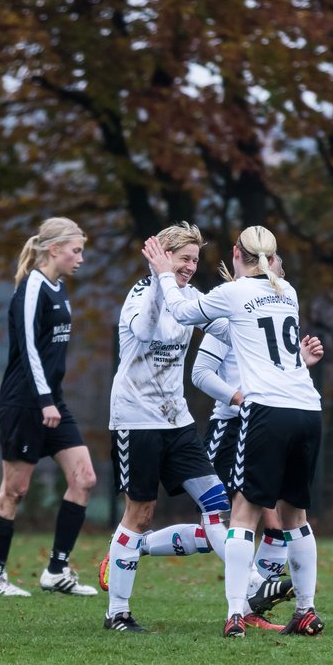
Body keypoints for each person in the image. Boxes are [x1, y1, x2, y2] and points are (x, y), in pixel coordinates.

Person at [149, 225, 325, 637]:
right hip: (308, 408)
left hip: (268, 411)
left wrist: (161, 271)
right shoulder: (289, 292)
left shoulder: (234, 292)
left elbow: (180, 313)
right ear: (273, 257)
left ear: (235, 253)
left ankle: (235, 615)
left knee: (243, 515)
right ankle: (306, 609)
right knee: (296, 515)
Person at [99, 222, 235, 632]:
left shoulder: (190, 297)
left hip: (177, 421)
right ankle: (117, 613)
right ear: (163, 258)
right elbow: (144, 329)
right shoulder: (141, 295)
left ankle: (247, 588)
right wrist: (161, 281)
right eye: (184, 259)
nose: (191, 267)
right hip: (135, 420)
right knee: (140, 514)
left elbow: (228, 330)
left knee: (217, 503)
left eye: (195, 260)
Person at [190, 253, 323, 622]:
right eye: (279, 264)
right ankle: (254, 595)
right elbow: (200, 373)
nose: (281, 272)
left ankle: (250, 607)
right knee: (223, 519)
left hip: (267, 420)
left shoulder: (279, 302)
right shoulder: (233, 304)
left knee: (269, 521)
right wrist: (237, 398)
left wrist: (301, 360)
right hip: (234, 425)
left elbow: (277, 367)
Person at [0, 216, 98, 598]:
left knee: (84, 479)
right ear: (54, 249)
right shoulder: (33, 286)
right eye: (75, 250)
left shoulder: (60, 287)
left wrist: (52, 398)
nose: (80, 258)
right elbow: (28, 347)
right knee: (15, 490)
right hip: (25, 402)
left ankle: (57, 569)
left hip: (52, 400)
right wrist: (45, 399)